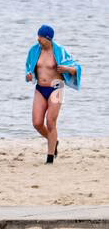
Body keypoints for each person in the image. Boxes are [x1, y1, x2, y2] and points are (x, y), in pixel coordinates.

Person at [25, 25, 82, 164]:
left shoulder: (60, 51)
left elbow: (77, 68)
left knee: (50, 122)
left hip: (57, 87)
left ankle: (50, 157)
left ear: (48, 38)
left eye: (41, 37)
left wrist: (67, 69)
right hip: (40, 88)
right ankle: (53, 141)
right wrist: (29, 75)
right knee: (37, 123)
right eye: (38, 36)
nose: (38, 39)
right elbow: (29, 66)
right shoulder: (34, 50)